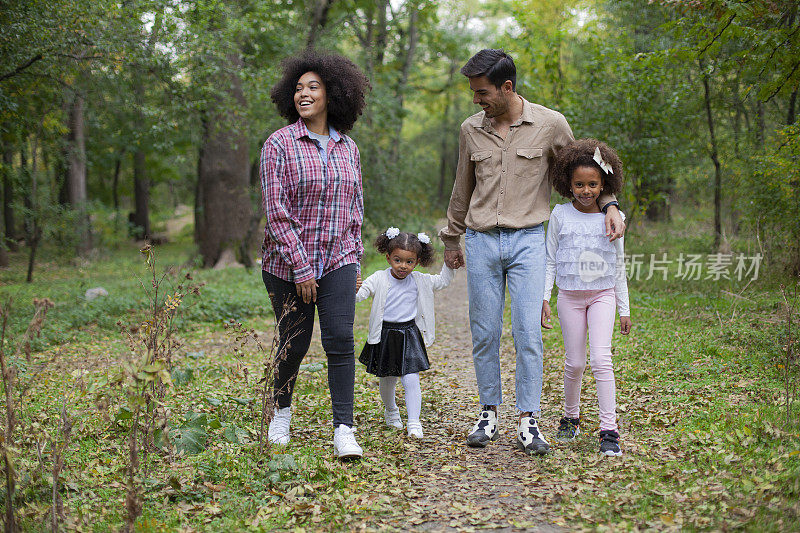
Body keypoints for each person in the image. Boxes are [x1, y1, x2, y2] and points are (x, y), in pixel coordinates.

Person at [439, 49, 625, 455]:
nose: (477, 100)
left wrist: (609, 204)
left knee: (528, 333)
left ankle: (528, 420)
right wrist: (452, 239)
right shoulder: (470, 130)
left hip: (528, 240)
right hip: (481, 240)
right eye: (473, 93)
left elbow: (585, 166)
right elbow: (462, 187)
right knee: (485, 332)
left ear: (507, 87)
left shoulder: (550, 123)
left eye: (482, 92)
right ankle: (488, 413)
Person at [260, 51, 369, 460]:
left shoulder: (348, 148)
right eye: (299, 88)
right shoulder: (279, 145)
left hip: (338, 257)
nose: (303, 93)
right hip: (286, 264)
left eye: (313, 87)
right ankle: (281, 412)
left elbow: (355, 208)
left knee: (340, 338)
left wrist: (355, 260)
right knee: (295, 341)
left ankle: (344, 428)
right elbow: (276, 212)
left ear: (334, 94)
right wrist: (302, 268)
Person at [541, 139, 632, 457]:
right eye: (579, 184)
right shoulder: (560, 215)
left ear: (604, 184)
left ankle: (610, 430)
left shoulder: (613, 219)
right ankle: (571, 416)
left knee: (601, 360)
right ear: (568, 183)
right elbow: (550, 259)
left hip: (603, 294)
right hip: (568, 296)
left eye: (593, 184)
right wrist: (545, 299)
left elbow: (619, 265)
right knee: (575, 362)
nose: (586, 190)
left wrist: (624, 307)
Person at [356, 229, 453, 438]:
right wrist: (354, 288)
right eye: (398, 260)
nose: (403, 266)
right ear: (388, 257)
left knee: (411, 378)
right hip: (385, 334)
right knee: (387, 378)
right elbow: (361, 294)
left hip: (409, 334)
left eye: (409, 262)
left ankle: (414, 422)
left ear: (417, 262)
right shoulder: (379, 278)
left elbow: (443, 281)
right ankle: (391, 410)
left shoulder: (419, 280)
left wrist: (449, 260)